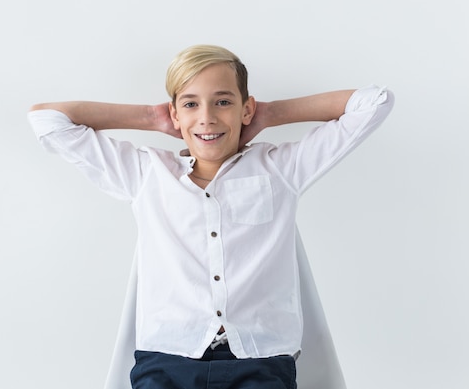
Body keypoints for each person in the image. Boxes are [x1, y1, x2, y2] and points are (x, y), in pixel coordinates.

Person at [28, 44, 394, 389]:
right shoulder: (146, 174)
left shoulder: (280, 169)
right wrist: (151, 118)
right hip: (167, 360)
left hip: (259, 361)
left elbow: (373, 103)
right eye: (190, 104)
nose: (207, 118)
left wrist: (269, 114)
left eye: (223, 102)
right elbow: (48, 119)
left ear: (245, 109)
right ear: (174, 113)